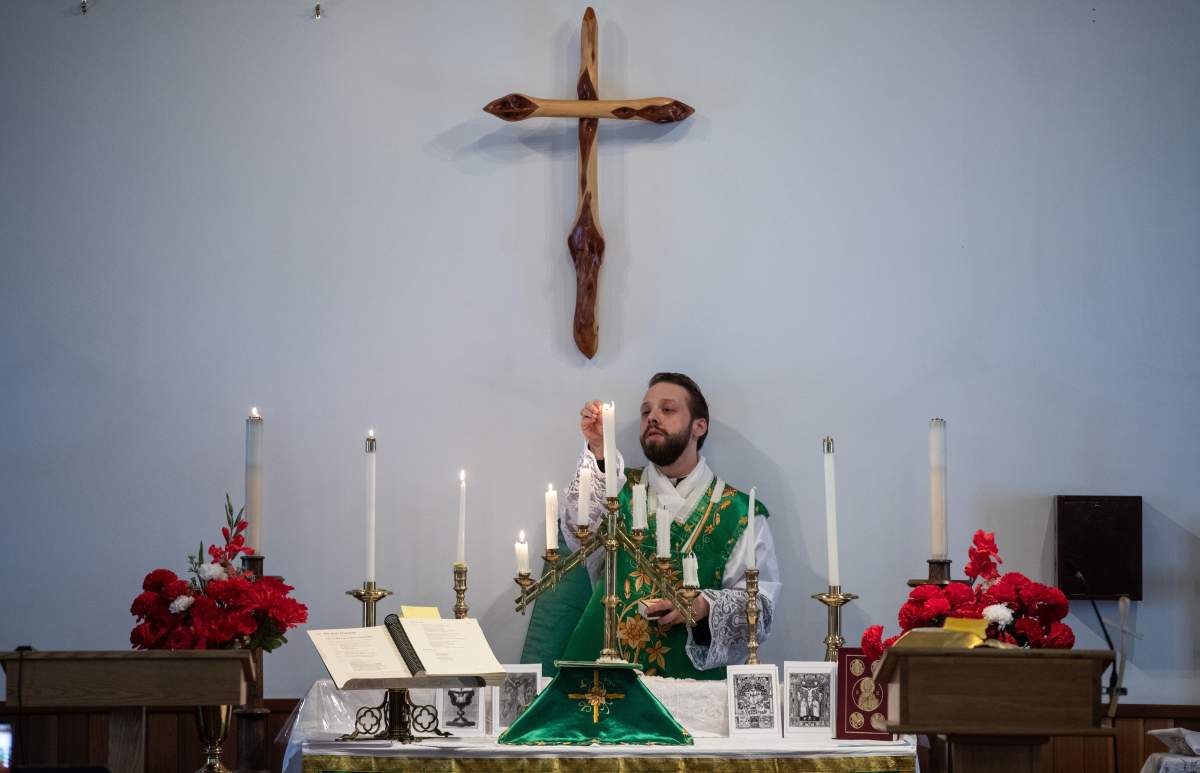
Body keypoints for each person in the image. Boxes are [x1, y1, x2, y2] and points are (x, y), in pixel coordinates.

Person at [520, 372, 781, 679]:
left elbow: (760, 607)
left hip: (691, 688)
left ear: (699, 426)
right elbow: (580, 535)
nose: (652, 417)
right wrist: (600, 451)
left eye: (667, 409)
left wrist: (703, 606)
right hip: (604, 680)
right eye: (646, 412)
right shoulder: (616, 493)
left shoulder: (740, 513)